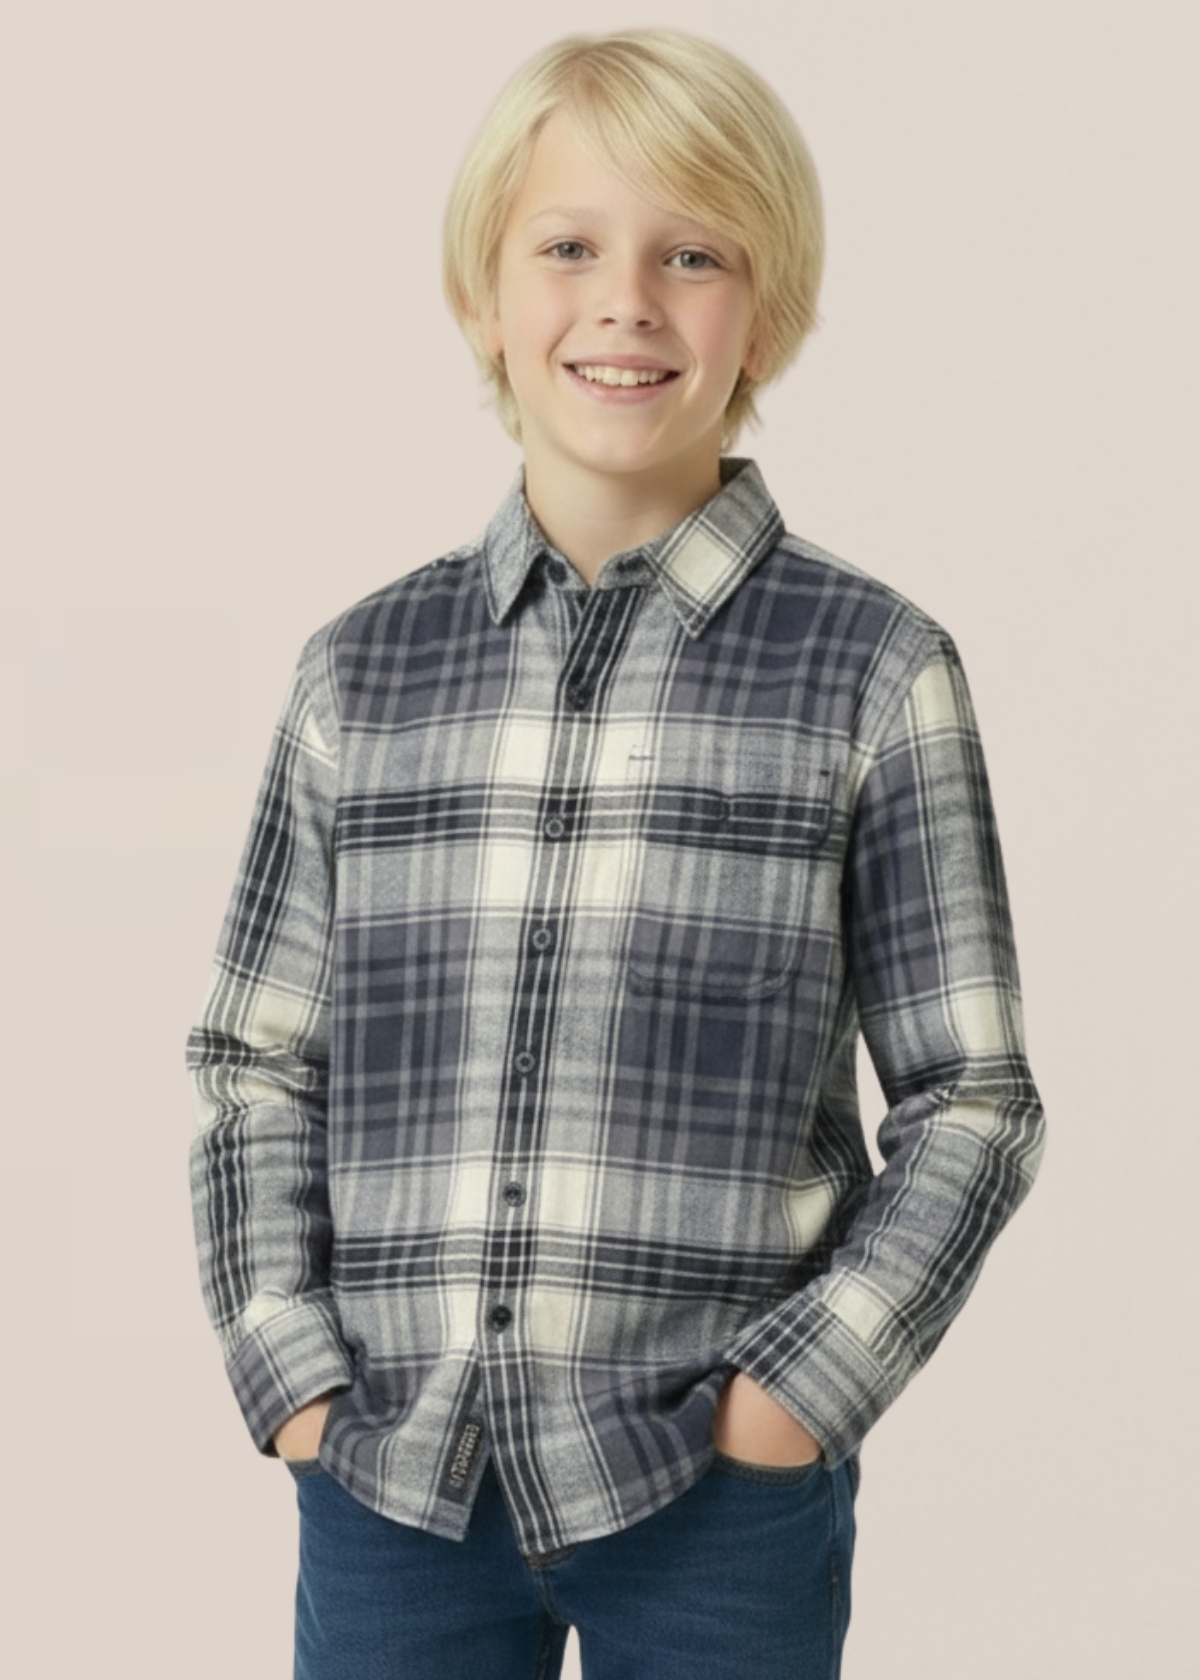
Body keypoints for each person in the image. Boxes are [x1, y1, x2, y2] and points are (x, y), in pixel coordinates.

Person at [187, 29, 1045, 1680]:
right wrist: (291, 1374)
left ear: (768, 314)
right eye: (567, 246)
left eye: (694, 254)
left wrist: (796, 1401)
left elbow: (972, 1097)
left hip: (714, 1497)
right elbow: (256, 1059)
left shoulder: (871, 668)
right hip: (394, 1485)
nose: (627, 301)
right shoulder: (360, 673)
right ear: (480, 298)